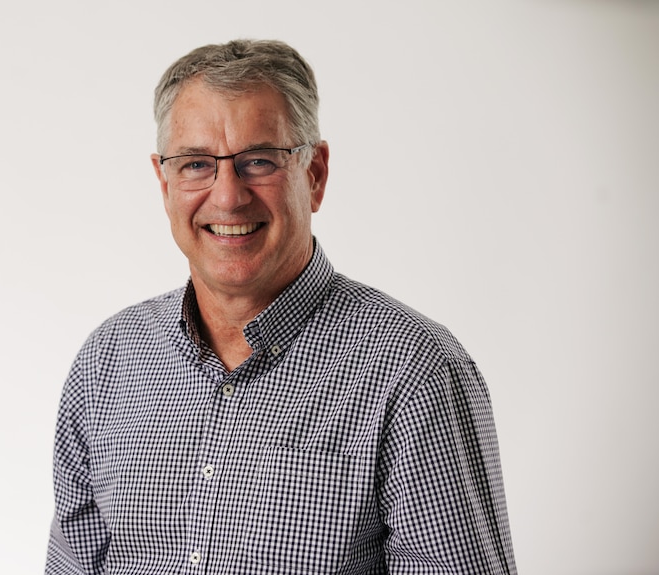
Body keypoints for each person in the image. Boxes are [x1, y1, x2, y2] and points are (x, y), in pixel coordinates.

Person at [45, 39, 517, 574]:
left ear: (314, 174)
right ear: (164, 182)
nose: (227, 197)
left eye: (258, 161)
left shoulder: (416, 373)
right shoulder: (107, 361)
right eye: (197, 164)